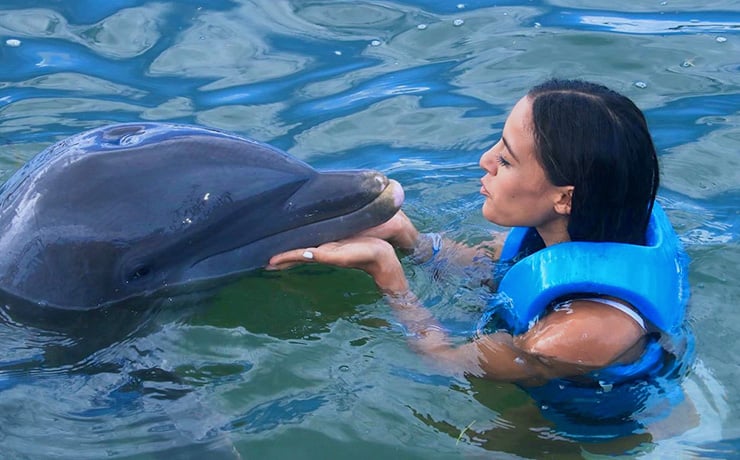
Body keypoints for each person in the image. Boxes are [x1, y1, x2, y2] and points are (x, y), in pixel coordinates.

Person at [267, 79, 688, 393]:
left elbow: (445, 364)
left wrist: (389, 278)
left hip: (579, 437)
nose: (484, 160)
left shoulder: (578, 332)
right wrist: (407, 238)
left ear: (564, 198)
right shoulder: (589, 226)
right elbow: (489, 271)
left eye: (505, 160)